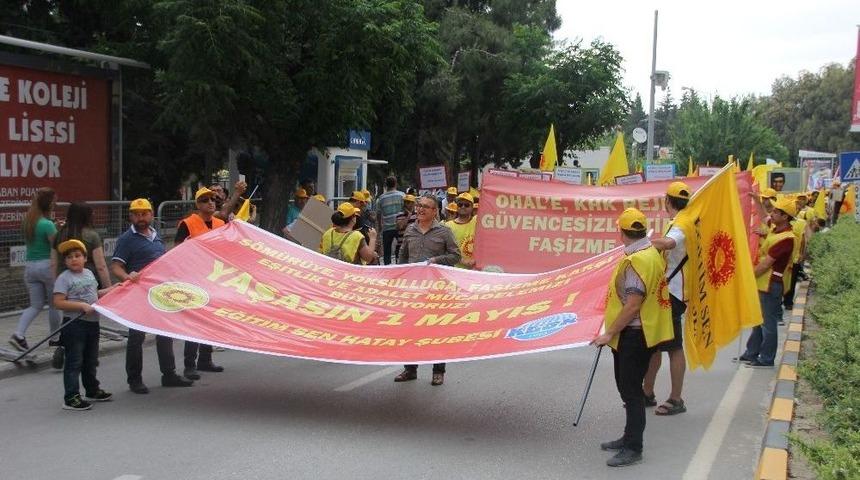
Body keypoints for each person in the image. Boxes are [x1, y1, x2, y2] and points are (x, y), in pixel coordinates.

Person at [592, 208, 673, 468]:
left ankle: (633, 447)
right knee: (629, 390)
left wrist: (609, 333)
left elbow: (632, 305)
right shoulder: (651, 253)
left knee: (631, 392)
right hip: (643, 332)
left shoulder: (636, 261)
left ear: (622, 232)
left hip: (635, 334)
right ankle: (628, 437)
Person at [112, 198, 193, 393]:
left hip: (159, 292)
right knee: (136, 337)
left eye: (144, 213)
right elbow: (116, 266)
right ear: (131, 216)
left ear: (151, 215)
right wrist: (127, 276)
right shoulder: (126, 240)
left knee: (165, 333)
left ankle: (169, 374)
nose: (140, 218)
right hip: (138, 294)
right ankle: (134, 379)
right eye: (136, 214)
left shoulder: (155, 236)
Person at [394, 194, 461, 386]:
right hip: (414, 290)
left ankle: (438, 370)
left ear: (435, 211)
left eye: (425, 206)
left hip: (437, 291)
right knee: (410, 329)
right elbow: (403, 256)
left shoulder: (444, 232)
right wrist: (400, 277)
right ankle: (410, 368)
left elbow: (455, 256)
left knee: (436, 331)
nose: (420, 209)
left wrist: (436, 261)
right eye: (418, 205)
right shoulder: (410, 229)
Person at [642, 182, 690, 416]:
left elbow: (669, 243)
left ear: (667, 201)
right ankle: (647, 392)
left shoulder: (683, 223)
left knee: (673, 347)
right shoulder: (680, 220)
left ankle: (676, 398)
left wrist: (641, 244)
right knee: (655, 344)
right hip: (666, 291)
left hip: (673, 293)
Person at [53, 239, 118, 410]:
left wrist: (111, 290)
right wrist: (80, 306)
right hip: (74, 325)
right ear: (65, 261)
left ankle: (92, 390)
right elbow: (58, 302)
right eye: (69, 257)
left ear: (85, 257)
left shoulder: (89, 273)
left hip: (92, 324)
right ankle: (71, 397)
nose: (73, 259)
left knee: (90, 359)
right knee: (74, 361)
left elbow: (94, 295)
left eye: (77, 255)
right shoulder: (64, 278)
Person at [50, 202, 113, 369]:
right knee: (88, 320)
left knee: (70, 319)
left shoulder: (60, 234)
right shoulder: (91, 235)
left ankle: (65, 347)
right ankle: (89, 356)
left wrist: (58, 283)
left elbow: (54, 263)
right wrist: (109, 288)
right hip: (87, 280)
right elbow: (100, 265)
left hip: (66, 283)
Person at [739, 197, 796, 368]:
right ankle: (751, 353)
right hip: (762, 282)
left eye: (777, 212)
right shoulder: (776, 229)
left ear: (785, 217)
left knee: (768, 323)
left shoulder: (787, 238)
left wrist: (747, 277)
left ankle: (766, 358)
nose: (773, 213)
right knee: (758, 320)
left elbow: (766, 264)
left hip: (770, 284)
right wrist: (756, 200)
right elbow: (764, 217)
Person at [175, 187, 227, 380]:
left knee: (210, 320)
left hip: (214, 278)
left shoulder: (221, 223)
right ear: (198, 204)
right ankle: (190, 364)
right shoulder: (187, 224)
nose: (210, 203)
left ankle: (205, 359)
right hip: (194, 278)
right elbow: (177, 251)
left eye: (213, 199)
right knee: (194, 322)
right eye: (205, 200)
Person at [10, 188, 62, 352]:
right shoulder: (47, 224)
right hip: (47, 266)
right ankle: (55, 338)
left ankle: (19, 335)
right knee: (55, 305)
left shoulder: (29, 221)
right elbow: (57, 245)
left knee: (35, 305)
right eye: (53, 202)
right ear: (48, 203)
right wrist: (59, 230)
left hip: (30, 267)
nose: (55, 205)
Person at [376, 176, 406, 265]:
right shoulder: (402, 195)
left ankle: (387, 268)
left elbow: (378, 214)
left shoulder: (381, 198)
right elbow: (405, 210)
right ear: (396, 184)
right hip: (400, 227)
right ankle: (399, 264)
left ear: (386, 185)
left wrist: (380, 227)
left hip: (387, 228)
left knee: (387, 251)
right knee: (401, 248)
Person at [444, 192, 477, 269]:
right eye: (460, 204)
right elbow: (445, 250)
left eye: (466, 205)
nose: (463, 207)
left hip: (477, 270)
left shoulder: (477, 220)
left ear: (472, 207)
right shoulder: (448, 226)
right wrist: (462, 261)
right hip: (457, 270)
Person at [394, 194, 417, 262]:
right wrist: (408, 216)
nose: (406, 204)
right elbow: (399, 226)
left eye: (408, 202)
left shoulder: (418, 215)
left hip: (414, 246)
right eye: (405, 202)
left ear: (413, 204)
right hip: (401, 246)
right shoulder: (399, 215)